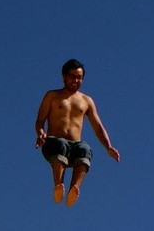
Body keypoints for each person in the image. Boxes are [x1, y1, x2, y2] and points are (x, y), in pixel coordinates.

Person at [34, 59, 120, 206]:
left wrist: (108, 146)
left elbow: (98, 126)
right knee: (60, 144)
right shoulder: (52, 96)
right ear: (64, 77)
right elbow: (40, 120)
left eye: (79, 77)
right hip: (54, 143)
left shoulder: (86, 101)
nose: (76, 80)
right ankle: (58, 185)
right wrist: (41, 133)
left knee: (84, 149)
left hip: (74, 146)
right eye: (72, 76)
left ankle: (74, 188)